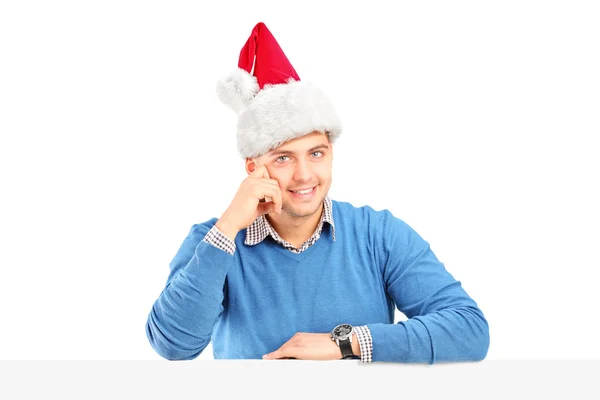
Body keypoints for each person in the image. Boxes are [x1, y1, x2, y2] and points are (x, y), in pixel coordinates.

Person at [145, 22, 490, 363]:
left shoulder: (377, 233)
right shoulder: (213, 239)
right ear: (253, 168)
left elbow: (469, 329)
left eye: (316, 153)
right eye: (283, 158)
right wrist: (228, 227)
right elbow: (174, 345)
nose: (304, 175)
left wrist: (350, 342)